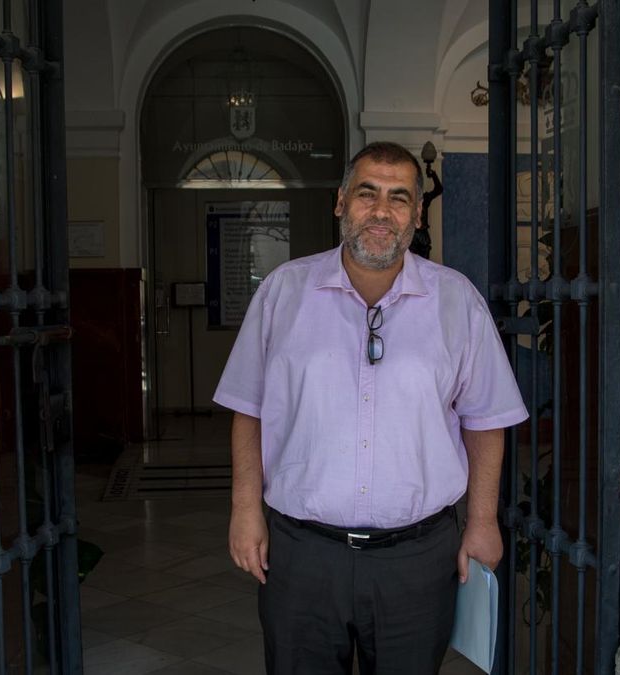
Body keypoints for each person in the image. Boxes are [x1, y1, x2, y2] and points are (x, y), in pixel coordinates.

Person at [213, 141, 528, 675]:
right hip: (302, 553)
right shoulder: (282, 293)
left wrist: (481, 521)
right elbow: (249, 409)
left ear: (417, 214)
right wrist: (245, 510)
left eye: (399, 198)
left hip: (417, 559)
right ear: (340, 203)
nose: (382, 211)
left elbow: (485, 419)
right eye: (367, 193)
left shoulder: (457, 302)